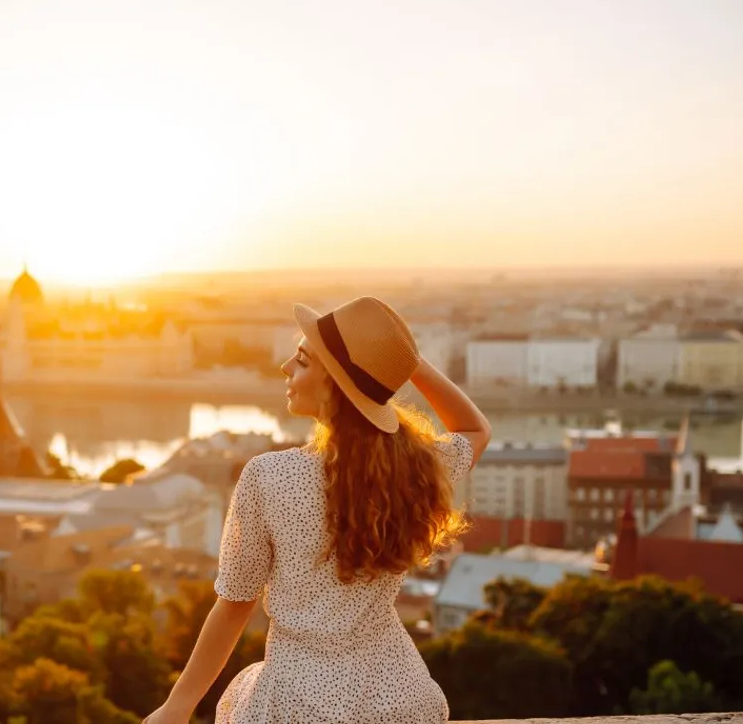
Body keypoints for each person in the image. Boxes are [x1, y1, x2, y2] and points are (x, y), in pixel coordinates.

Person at [143, 297, 491, 723]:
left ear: (336, 384)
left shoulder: (271, 476)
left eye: (304, 360)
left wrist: (177, 706)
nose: (286, 367)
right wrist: (401, 364)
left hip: (299, 704)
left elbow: (235, 602)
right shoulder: (415, 467)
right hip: (399, 699)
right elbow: (475, 428)